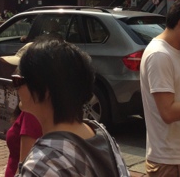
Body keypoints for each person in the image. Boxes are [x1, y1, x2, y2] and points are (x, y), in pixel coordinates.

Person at [15, 38, 130, 177]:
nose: (15, 87)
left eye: (18, 80)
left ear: (45, 91)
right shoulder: (99, 133)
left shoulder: (42, 164)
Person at [140, 0, 180, 177]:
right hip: (171, 162)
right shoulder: (160, 55)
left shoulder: (173, 51)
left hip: (179, 157)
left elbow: (179, 95)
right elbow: (168, 112)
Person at [0, 43, 42, 177]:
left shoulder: (32, 113)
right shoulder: (31, 108)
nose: (15, 85)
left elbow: (25, 166)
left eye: (19, 78)